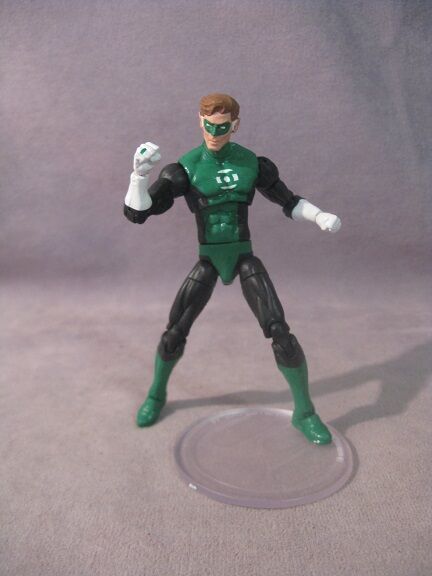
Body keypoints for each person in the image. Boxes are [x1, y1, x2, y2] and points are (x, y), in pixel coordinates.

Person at [124, 93, 341, 445]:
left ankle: (305, 413)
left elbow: (288, 201)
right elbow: (139, 213)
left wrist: (319, 216)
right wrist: (138, 176)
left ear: (235, 125)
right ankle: (156, 394)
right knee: (175, 332)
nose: (214, 133)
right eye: (209, 126)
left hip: (243, 256)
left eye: (222, 127)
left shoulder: (252, 164)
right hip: (209, 258)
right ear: (200, 121)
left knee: (281, 334)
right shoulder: (185, 169)